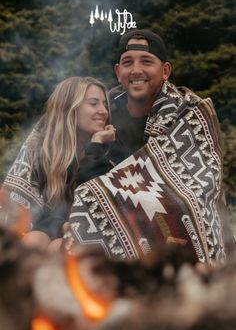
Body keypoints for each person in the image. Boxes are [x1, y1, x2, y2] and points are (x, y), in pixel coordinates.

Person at [66, 29, 229, 266]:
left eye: (146, 62)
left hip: (174, 232)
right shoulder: (103, 113)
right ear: (118, 72)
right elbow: (82, 186)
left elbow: (198, 190)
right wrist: (96, 146)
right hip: (117, 227)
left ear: (165, 71)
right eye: (127, 62)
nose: (136, 71)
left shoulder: (189, 113)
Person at [2, 76, 116, 250]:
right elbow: (32, 212)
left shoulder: (105, 158)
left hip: (89, 239)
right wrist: (61, 225)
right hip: (47, 229)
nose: (104, 111)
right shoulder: (41, 150)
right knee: (33, 241)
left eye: (104, 104)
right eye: (94, 103)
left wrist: (96, 145)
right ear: (69, 108)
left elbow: (90, 203)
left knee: (59, 247)